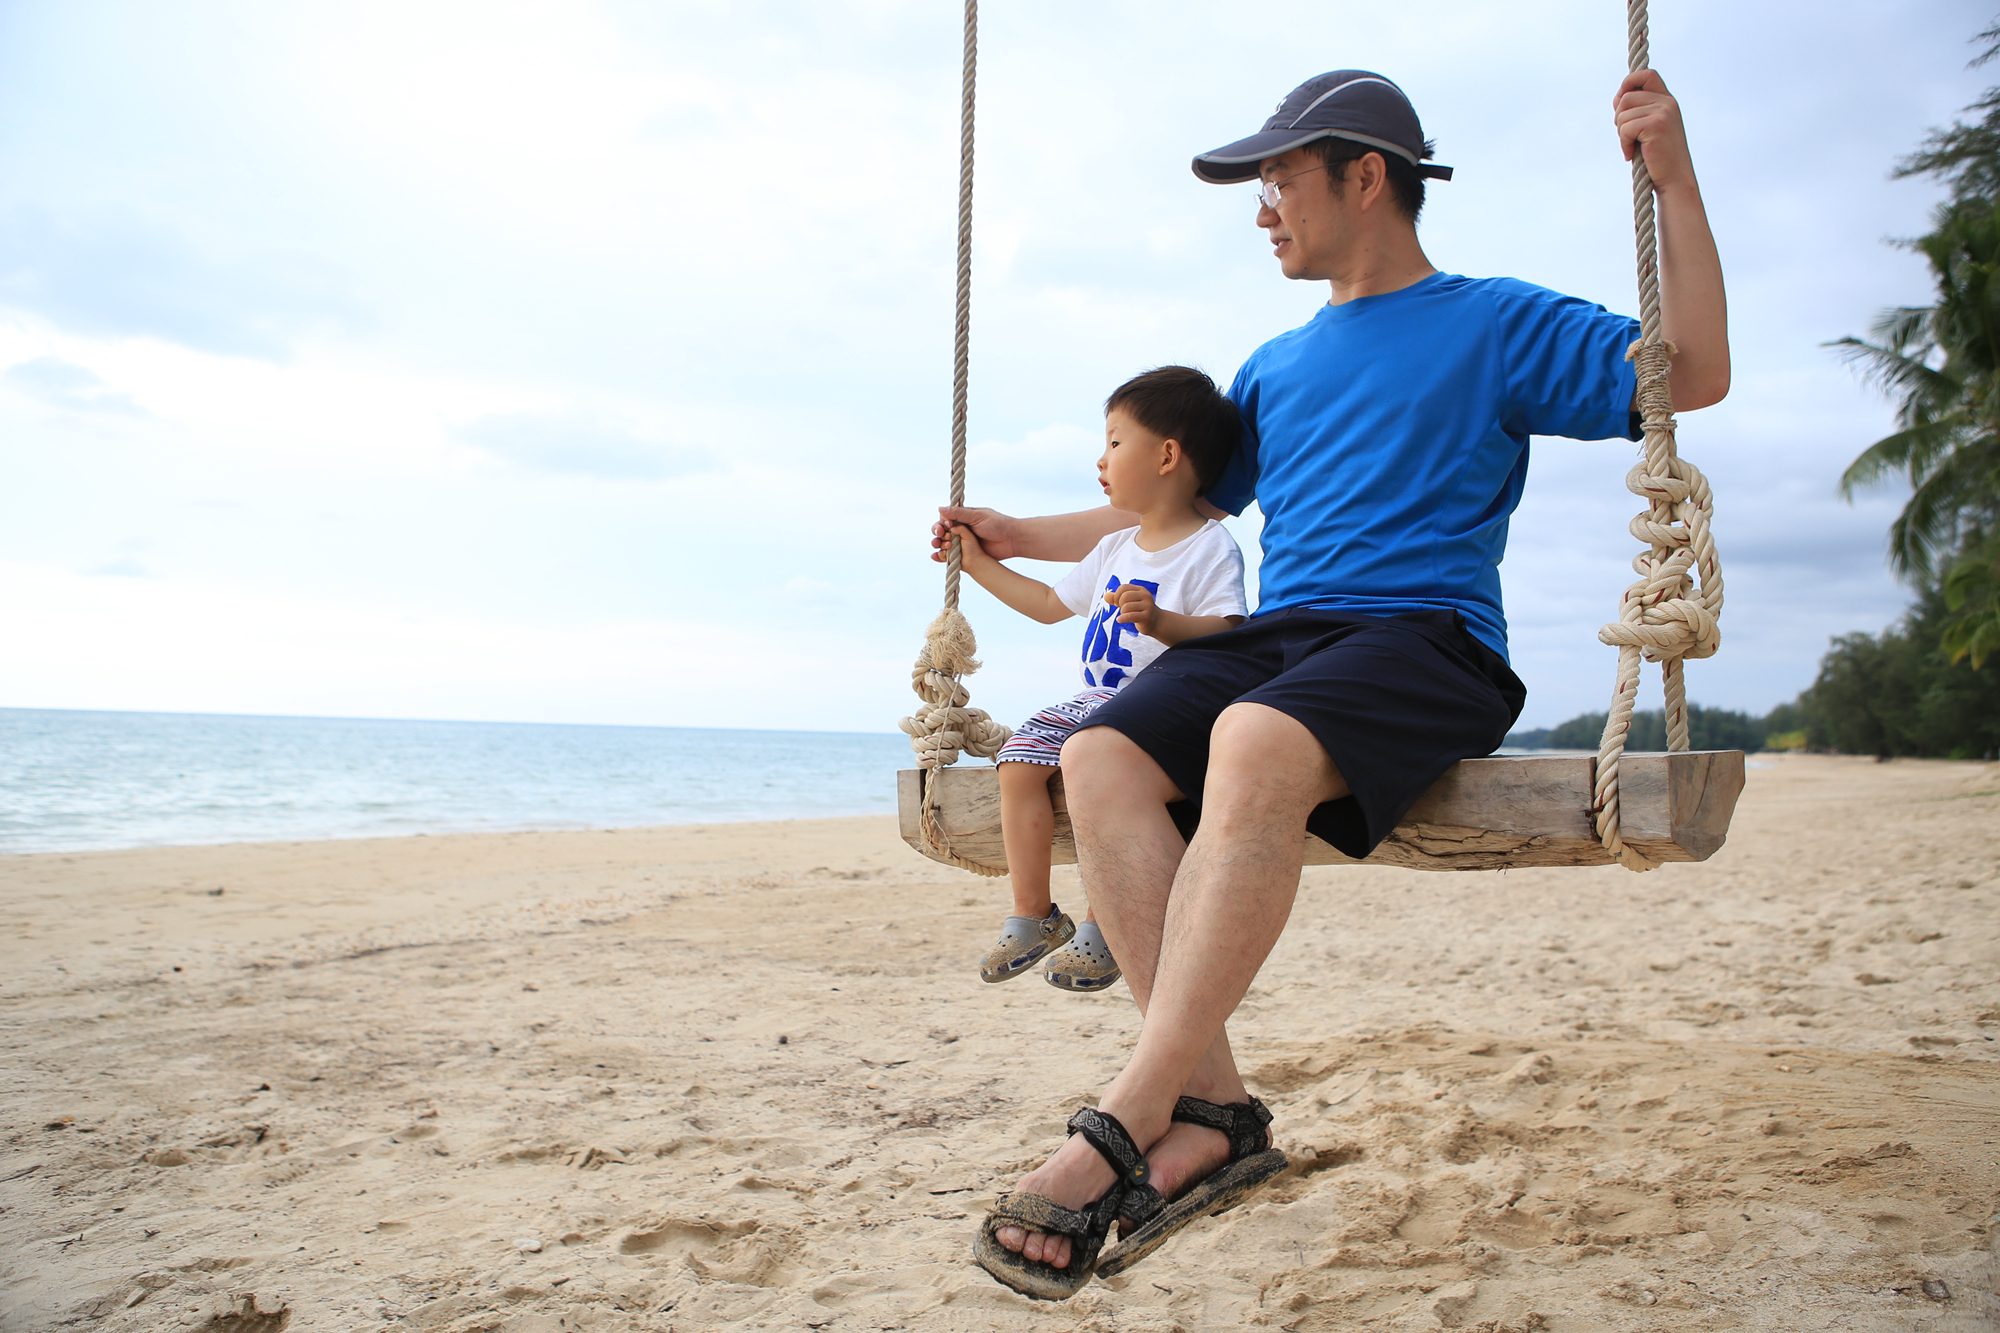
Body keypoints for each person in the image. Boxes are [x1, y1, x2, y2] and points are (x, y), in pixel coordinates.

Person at [950, 68, 1730, 1299]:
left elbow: (1685, 376)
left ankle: (1132, 1105)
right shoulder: (1271, 365)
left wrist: (1670, 178)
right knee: (1095, 753)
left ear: (1364, 177)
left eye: (1278, 180)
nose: (1261, 207)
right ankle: (1209, 1112)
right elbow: (1154, 503)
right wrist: (1013, 535)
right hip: (1283, 639)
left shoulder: (1492, 322)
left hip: (1425, 639)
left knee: (1254, 740)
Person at [956, 366, 1248, 992]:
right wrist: (977, 562)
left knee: (1110, 788)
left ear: (1167, 455)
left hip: (1158, 709)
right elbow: (1044, 604)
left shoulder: (1209, 546)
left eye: (1116, 442)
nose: (1101, 458)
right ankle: (1034, 913)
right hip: (1096, 700)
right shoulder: (1116, 546)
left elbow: (1228, 632)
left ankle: (1104, 923)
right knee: (1018, 759)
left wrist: (1164, 621)